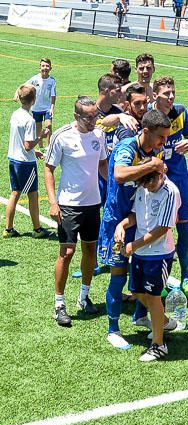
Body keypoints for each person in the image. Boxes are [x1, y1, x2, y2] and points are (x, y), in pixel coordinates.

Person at [98, 109, 170, 349]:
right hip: (117, 218)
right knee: (119, 275)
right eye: (161, 137)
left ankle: (140, 317)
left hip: (138, 218)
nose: (164, 142)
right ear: (146, 131)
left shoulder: (154, 150)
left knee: (140, 274)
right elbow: (119, 175)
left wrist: (157, 170)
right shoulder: (127, 148)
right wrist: (151, 165)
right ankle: (113, 329)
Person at [44, 96, 109, 327]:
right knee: (67, 252)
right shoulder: (62, 136)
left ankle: (84, 296)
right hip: (69, 204)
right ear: (76, 116)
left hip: (93, 203)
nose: (93, 121)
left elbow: (102, 164)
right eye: (88, 117)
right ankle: (59, 304)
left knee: (90, 249)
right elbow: (49, 169)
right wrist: (53, 202)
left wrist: (112, 187)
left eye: (95, 116)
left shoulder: (99, 135)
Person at [115, 159, 181, 362]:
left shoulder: (171, 192)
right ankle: (165, 322)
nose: (147, 188)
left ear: (160, 175)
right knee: (135, 291)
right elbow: (135, 214)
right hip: (141, 252)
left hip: (159, 254)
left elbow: (162, 229)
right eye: (143, 184)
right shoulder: (144, 187)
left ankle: (159, 345)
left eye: (150, 183)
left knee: (153, 297)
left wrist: (133, 246)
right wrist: (122, 225)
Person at [151, 76, 188, 300]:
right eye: (165, 94)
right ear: (155, 95)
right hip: (156, 184)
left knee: (185, 229)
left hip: (180, 180)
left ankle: (186, 278)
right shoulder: (148, 116)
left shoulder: (180, 111)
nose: (170, 97)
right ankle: (160, 279)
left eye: (172, 92)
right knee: (160, 231)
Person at [4, 85, 51, 239]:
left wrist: (33, 150)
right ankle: (37, 229)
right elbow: (27, 144)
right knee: (33, 194)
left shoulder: (15, 114)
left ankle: (8, 229)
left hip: (14, 159)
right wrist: (41, 136)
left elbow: (20, 140)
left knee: (14, 193)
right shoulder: (29, 120)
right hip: (25, 163)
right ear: (34, 100)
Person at [26, 58, 56, 148]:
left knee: (48, 125)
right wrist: (17, 93)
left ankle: (49, 147)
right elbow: (25, 85)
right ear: (40, 67)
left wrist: (52, 108)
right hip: (36, 108)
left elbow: (53, 95)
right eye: (43, 66)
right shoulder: (35, 79)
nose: (45, 68)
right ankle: (41, 147)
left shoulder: (52, 80)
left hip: (47, 108)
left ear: (50, 68)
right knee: (38, 127)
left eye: (47, 66)